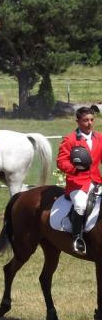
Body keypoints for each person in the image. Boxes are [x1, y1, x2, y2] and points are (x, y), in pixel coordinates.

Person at [56, 106, 102, 254]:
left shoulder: (100, 138)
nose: (89, 123)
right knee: (81, 205)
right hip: (77, 182)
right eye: (85, 120)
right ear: (78, 121)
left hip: (96, 180)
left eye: (91, 120)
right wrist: (75, 169)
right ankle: (77, 238)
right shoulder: (69, 140)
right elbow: (61, 162)